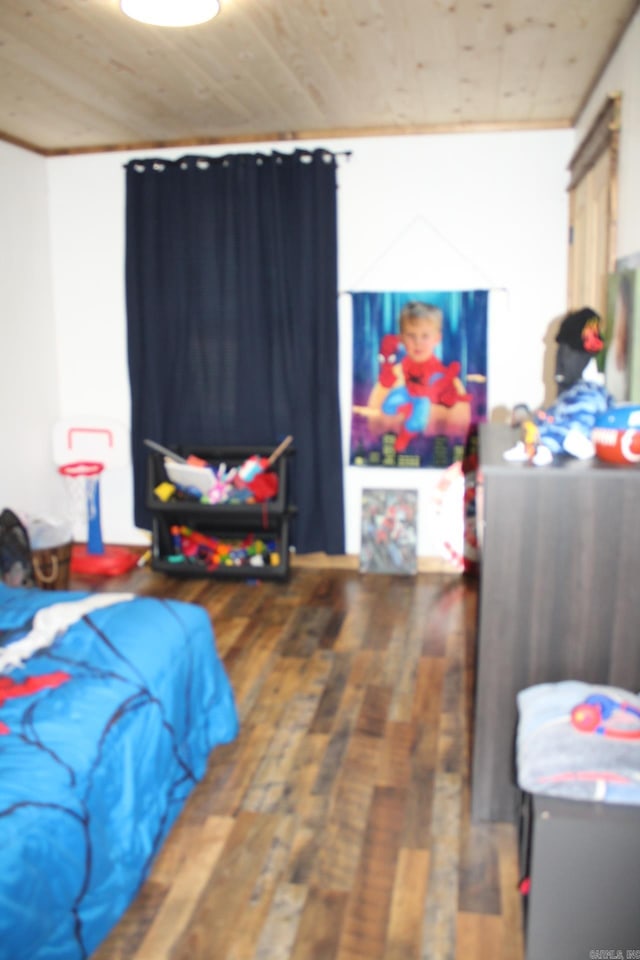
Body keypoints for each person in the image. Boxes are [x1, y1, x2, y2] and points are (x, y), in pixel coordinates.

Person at [365, 301, 470, 452]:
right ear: (401, 338)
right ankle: (406, 410)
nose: (417, 343)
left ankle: (407, 434)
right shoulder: (400, 368)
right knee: (388, 405)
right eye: (411, 336)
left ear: (437, 339)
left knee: (419, 416)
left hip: (424, 397)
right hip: (407, 392)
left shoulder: (439, 370)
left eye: (425, 336)